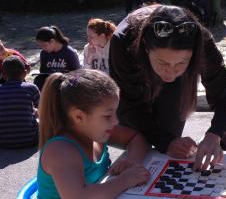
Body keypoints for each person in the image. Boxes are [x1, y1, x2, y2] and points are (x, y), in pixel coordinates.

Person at [109, 5, 226, 170]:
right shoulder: (123, 41)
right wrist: (165, 141)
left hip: (178, 80)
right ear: (146, 48)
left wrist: (215, 135)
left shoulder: (202, 43)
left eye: (182, 62)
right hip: (133, 63)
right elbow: (129, 105)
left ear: (194, 53)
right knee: (141, 136)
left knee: (170, 139)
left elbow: (225, 101)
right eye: (162, 62)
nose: (170, 72)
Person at [37, 69, 150, 198]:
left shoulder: (96, 131)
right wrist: (125, 180)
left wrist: (132, 161)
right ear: (79, 117)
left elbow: (135, 138)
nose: (115, 121)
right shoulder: (61, 151)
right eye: (108, 116)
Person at [0, 56, 39, 148]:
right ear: (25, 74)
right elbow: (44, 109)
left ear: (4, 76)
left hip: (2, 141)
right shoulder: (31, 88)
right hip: (30, 139)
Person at [34, 25, 81, 91]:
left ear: (52, 41)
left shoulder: (69, 52)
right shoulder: (44, 53)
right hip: (50, 82)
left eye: (44, 45)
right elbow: (43, 72)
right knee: (38, 80)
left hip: (65, 84)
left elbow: (77, 73)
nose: (43, 48)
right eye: (41, 46)